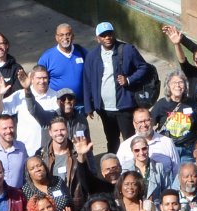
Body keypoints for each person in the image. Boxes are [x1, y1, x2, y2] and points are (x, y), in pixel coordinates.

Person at [82, 22, 151, 152]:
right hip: (104, 109)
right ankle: (114, 167)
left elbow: (144, 67)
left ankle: (132, 168)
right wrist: (88, 106)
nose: (107, 37)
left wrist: (129, 80)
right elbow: (87, 81)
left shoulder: (127, 50)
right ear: (98, 38)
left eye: (109, 34)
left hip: (125, 107)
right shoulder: (92, 56)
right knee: (112, 139)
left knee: (130, 139)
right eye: (103, 35)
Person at [38, 23, 88, 99]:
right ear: (56, 37)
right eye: (61, 35)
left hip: (81, 105)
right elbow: (39, 80)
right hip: (57, 105)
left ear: (73, 36)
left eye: (68, 34)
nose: (65, 37)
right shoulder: (47, 57)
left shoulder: (82, 52)